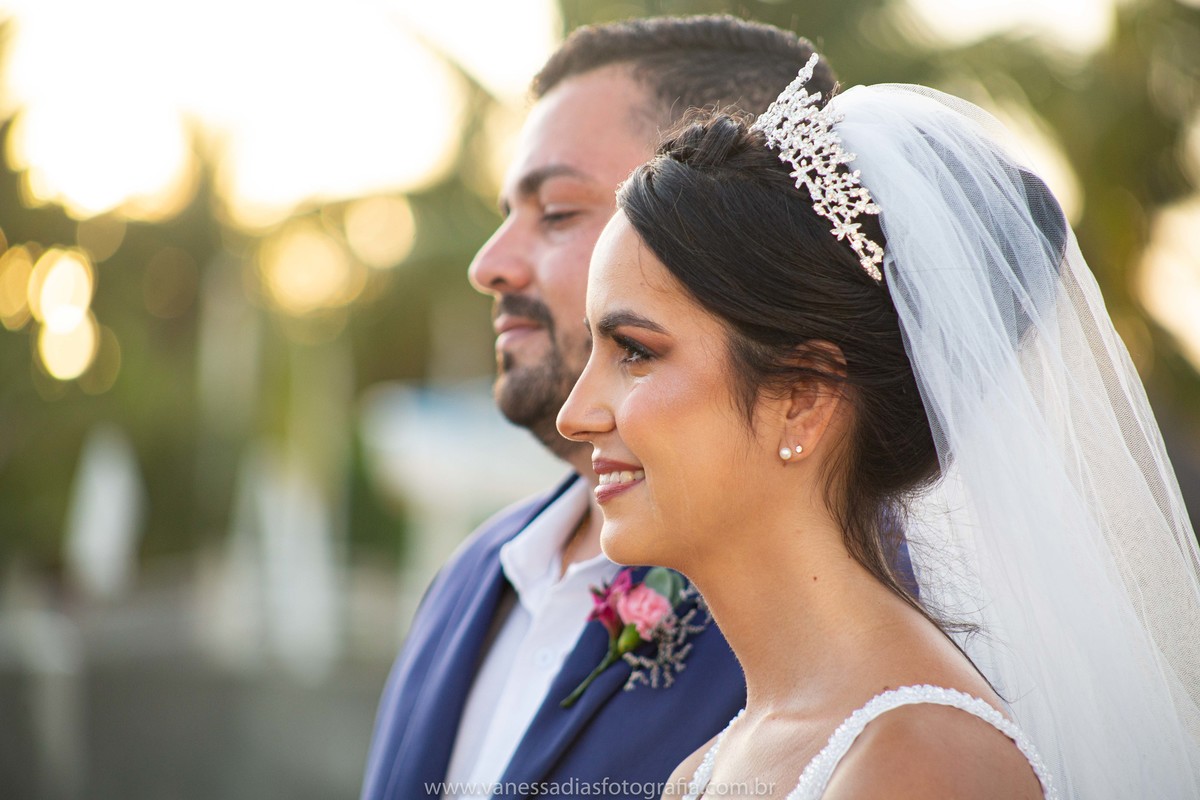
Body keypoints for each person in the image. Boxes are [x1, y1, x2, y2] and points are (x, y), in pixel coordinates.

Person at [557, 55, 1200, 799]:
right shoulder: (704, 771)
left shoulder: (922, 767)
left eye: (635, 352)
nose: (577, 414)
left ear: (803, 396)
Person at [360, 17, 837, 800]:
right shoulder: (473, 573)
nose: (489, 264)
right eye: (506, 213)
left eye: (557, 213)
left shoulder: (824, 649)